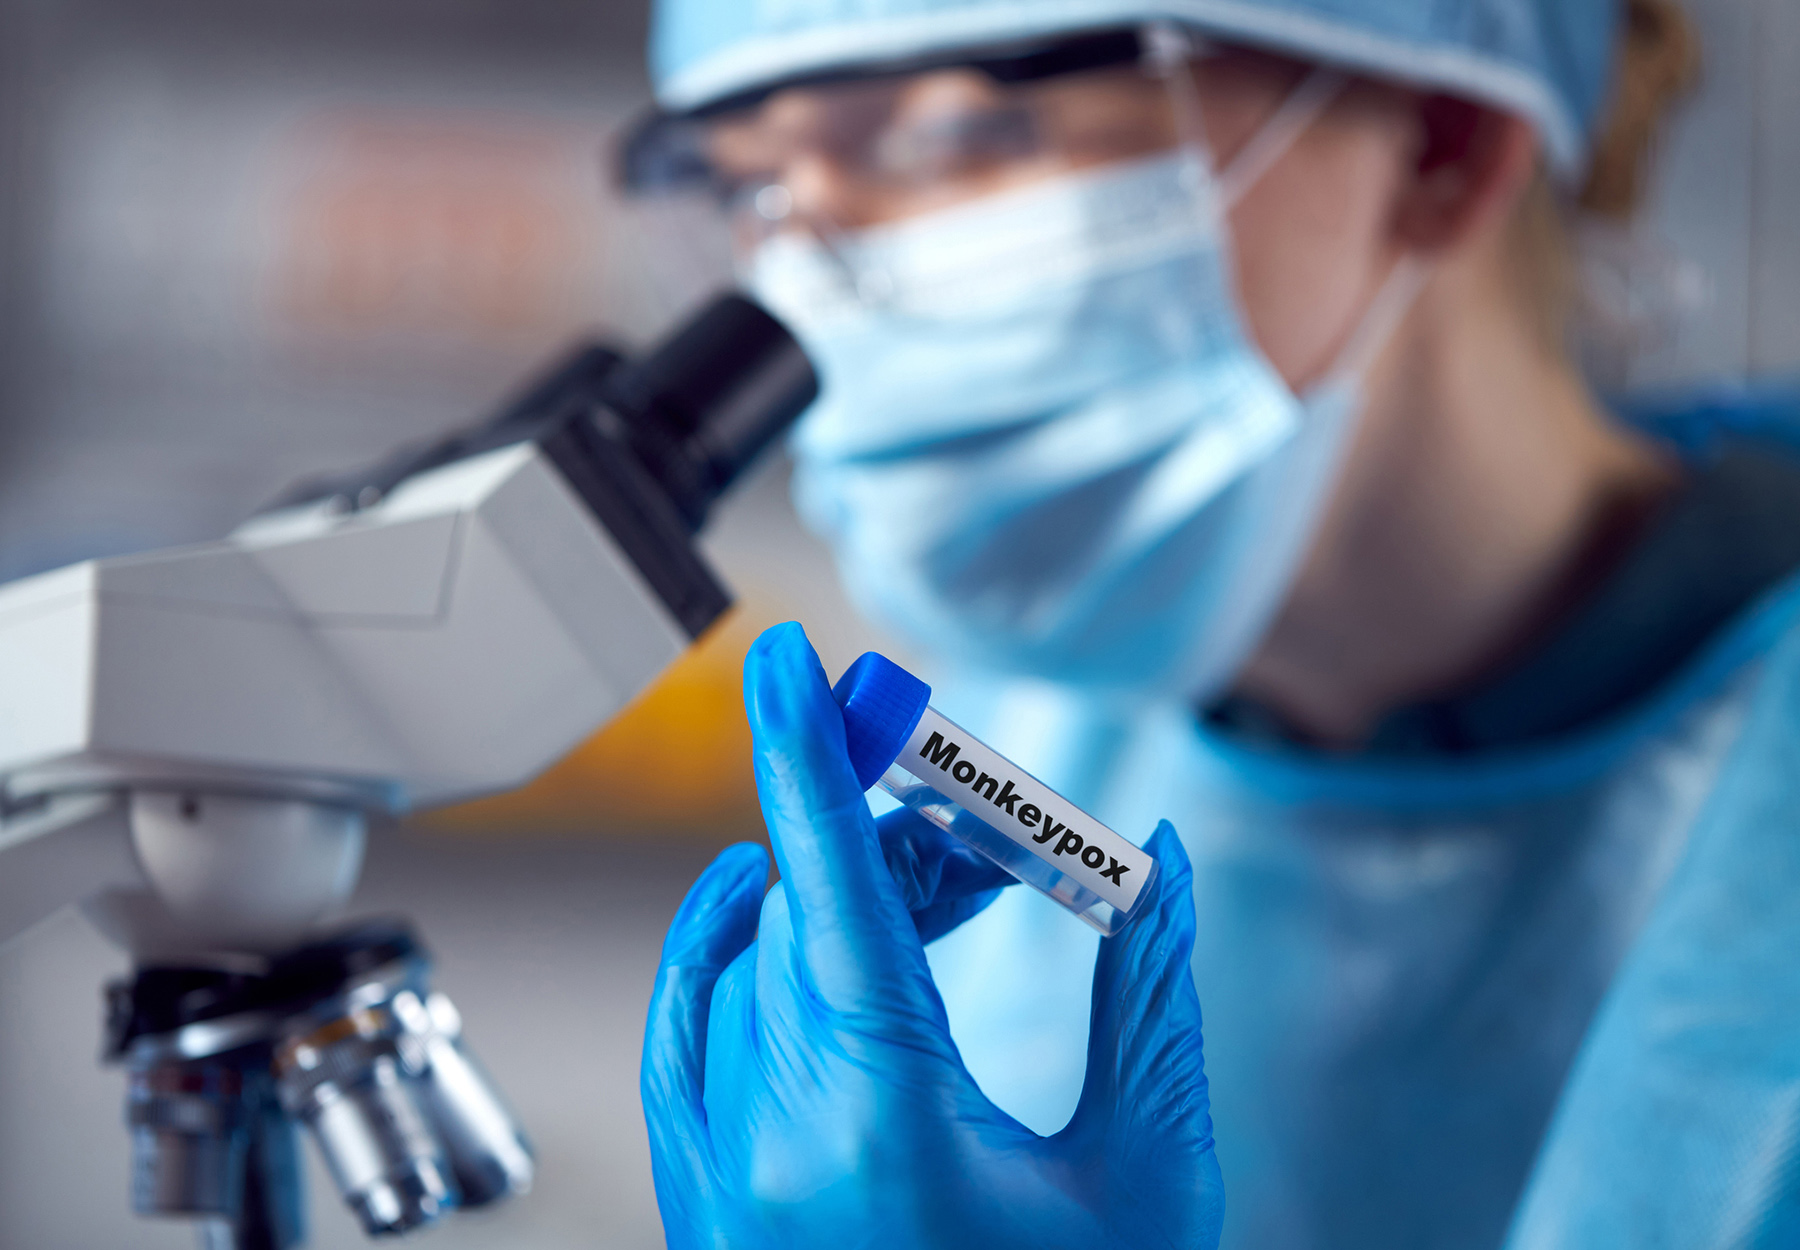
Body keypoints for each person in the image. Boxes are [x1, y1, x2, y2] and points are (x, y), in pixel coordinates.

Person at [629, 0, 1800, 1246]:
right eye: (749, 186)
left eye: (960, 138)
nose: (815, 283)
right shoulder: (1034, 727)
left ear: (1441, 146)